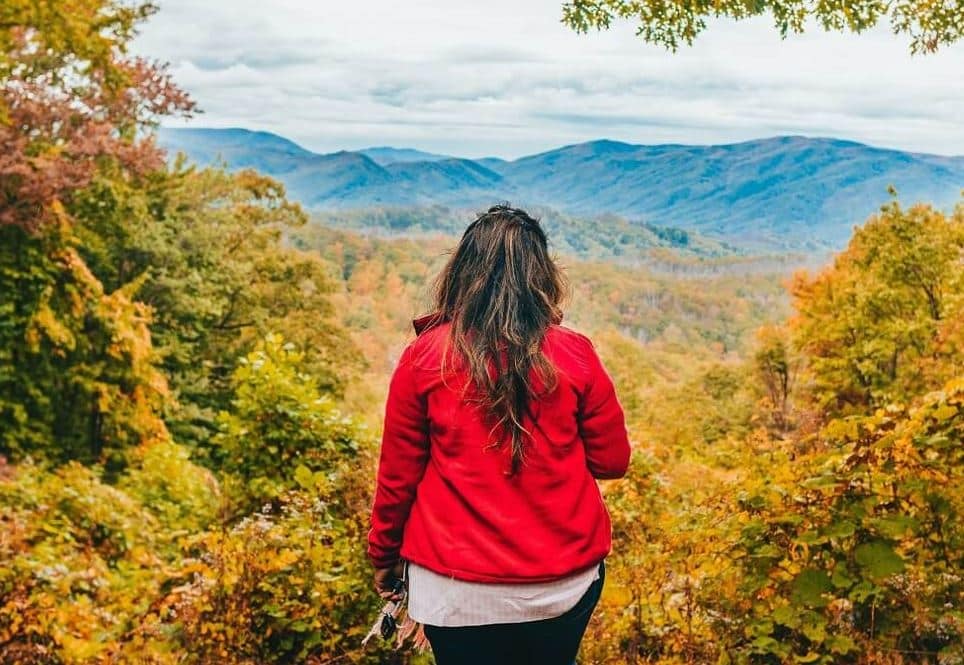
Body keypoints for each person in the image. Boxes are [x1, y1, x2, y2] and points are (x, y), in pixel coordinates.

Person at [367, 204, 631, 665]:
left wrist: (384, 558)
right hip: (561, 584)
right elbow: (613, 461)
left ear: (463, 272)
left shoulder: (425, 358)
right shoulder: (575, 355)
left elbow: (396, 480)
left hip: (455, 591)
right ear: (542, 277)